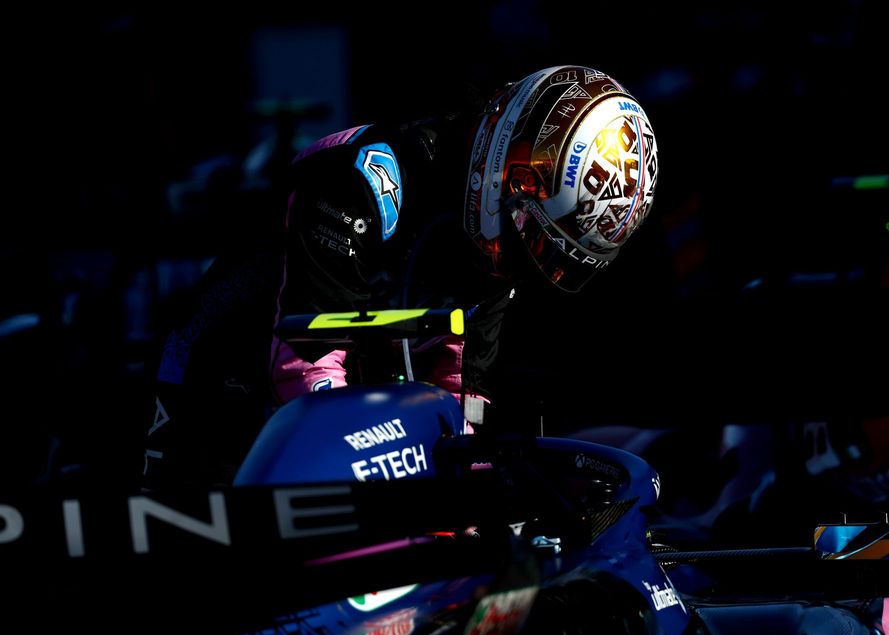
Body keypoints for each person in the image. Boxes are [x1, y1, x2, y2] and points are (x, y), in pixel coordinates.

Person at [142, 64, 660, 489]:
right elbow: (305, 362)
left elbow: (463, 389)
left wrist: (469, 490)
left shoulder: (499, 250)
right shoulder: (361, 178)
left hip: (340, 411)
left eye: (547, 250)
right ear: (512, 169)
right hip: (217, 383)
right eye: (533, 231)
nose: (527, 256)